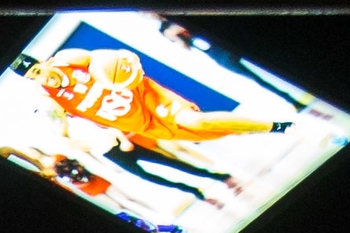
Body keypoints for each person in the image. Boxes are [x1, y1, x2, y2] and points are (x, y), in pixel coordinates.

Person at [17, 38, 292, 198]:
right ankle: (252, 128)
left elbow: (117, 58)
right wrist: (75, 137)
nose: (42, 76)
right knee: (208, 133)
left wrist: (128, 67)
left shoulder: (67, 58)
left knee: (194, 121)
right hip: (141, 125)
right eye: (34, 77)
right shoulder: (50, 99)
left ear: (43, 63)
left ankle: (279, 126)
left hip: (147, 96)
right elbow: (63, 134)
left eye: (39, 70)